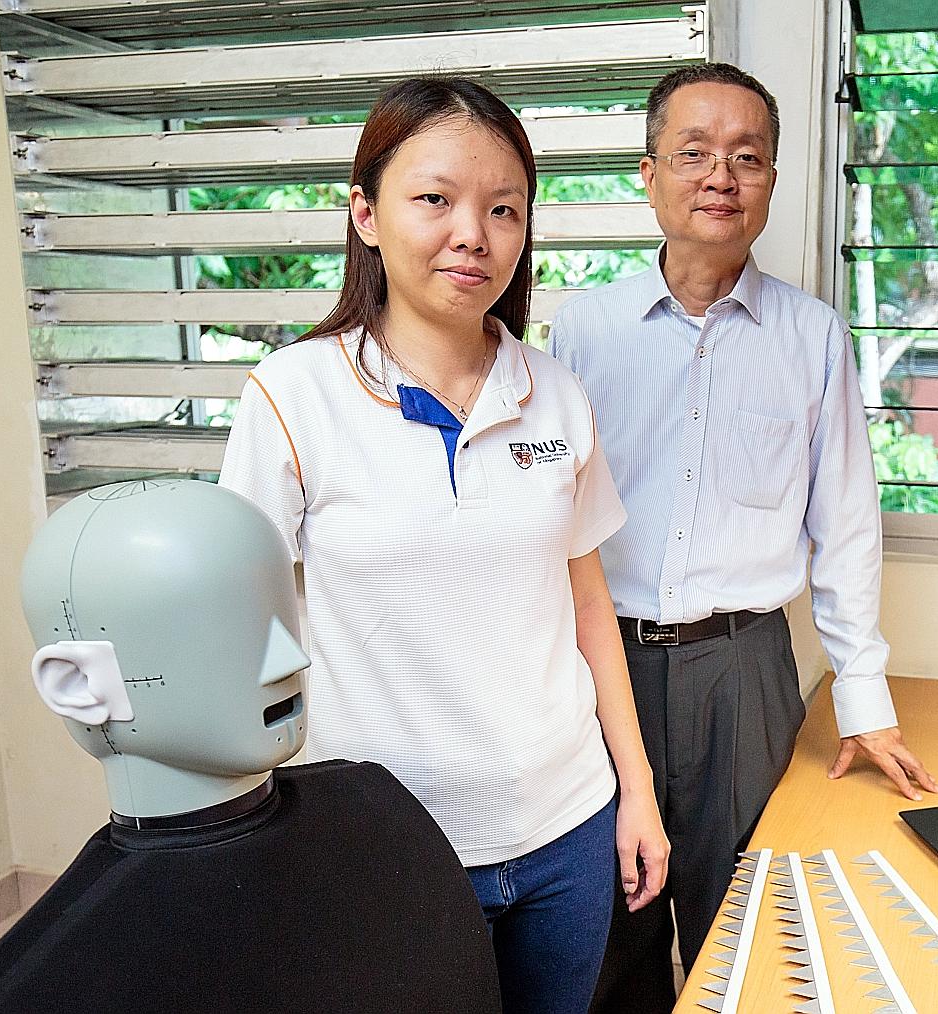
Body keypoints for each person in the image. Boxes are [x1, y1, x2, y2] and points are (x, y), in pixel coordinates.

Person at [218, 76, 667, 1014]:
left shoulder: (554, 393)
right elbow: (241, 632)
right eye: (435, 199)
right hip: (386, 846)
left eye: (504, 208)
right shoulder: (293, 396)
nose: (474, 233)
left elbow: (590, 606)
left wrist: (638, 790)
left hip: (568, 828)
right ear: (365, 213)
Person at [549, 63, 938, 1012]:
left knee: (752, 927)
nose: (720, 176)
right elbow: (546, 520)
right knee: (611, 929)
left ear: (770, 180)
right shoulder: (580, 329)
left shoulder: (811, 336)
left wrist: (864, 696)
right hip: (603, 667)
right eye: (694, 154)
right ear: (649, 173)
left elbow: (845, 523)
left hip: (747, 672)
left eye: (747, 158)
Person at [0, 478, 501, 1014]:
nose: (292, 661)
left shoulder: (380, 808)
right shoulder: (37, 986)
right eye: (225, 631)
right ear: (79, 685)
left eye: (280, 613)